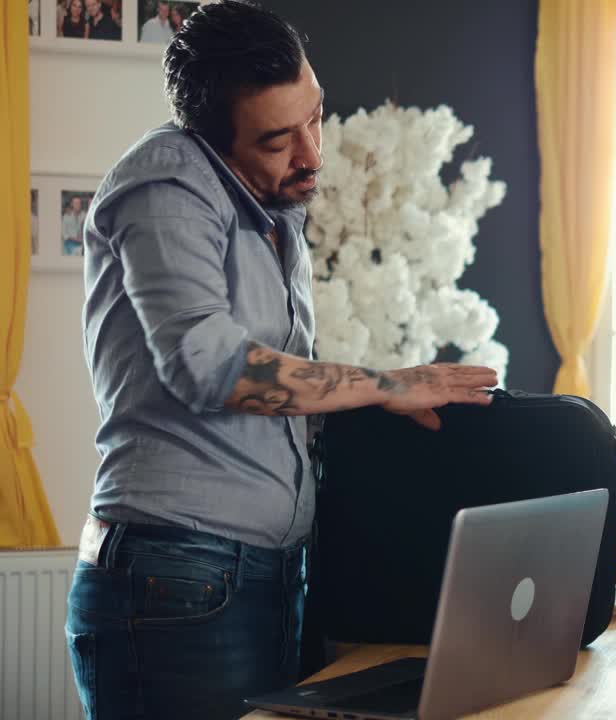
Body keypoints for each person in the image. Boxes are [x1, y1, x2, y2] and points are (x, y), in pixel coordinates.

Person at [65, 2, 498, 718]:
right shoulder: (166, 188)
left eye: (315, 119)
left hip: (258, 573)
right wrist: (386, 384)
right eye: (277, 140)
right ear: (212, 139)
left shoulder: (270, 205)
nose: (312, 154)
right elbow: (209, 365)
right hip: (176, 578)